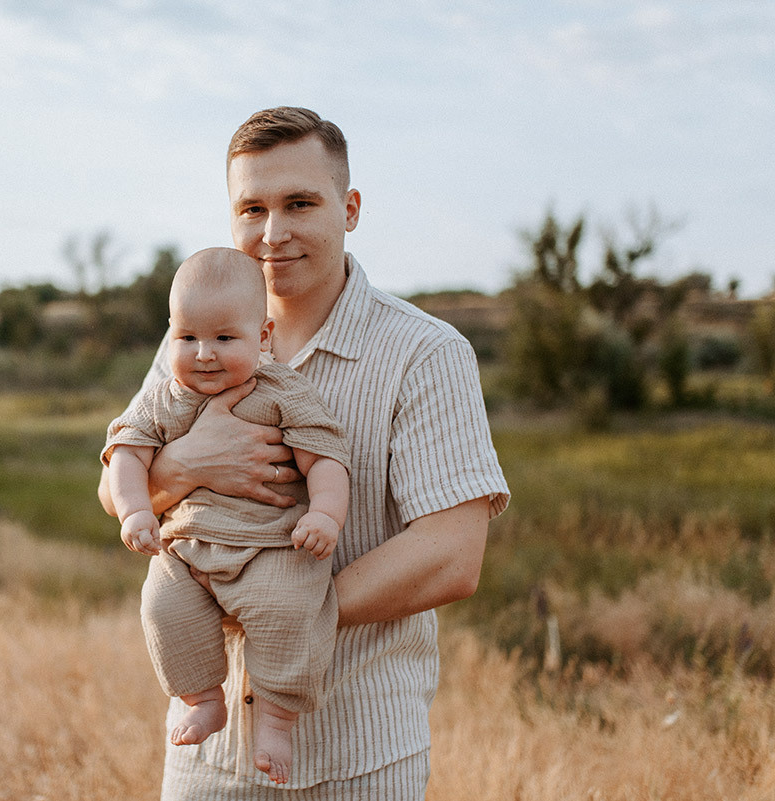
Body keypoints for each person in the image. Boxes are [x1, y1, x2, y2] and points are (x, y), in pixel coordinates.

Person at [98, 106, 510, 800]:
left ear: (348, 209)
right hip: (209, 761)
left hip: (363, 753)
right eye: (252, 208)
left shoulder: (425, 353)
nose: (273, 232)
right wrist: (192, 463)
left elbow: (452, 553)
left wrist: (276, 605)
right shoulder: (195, 342)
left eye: (299, 203)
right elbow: (117, 486)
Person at [102, 246, 351, 785]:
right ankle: (201, 698)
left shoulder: (281, 391)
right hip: (187, 548)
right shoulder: (162, 398)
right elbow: (126, 454)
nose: (203, 354)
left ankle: (277, 718)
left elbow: (325, 456)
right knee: (162, 605)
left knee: (288, 608)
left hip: (270, 547)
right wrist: (135, 511)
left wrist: (326, 515)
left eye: (223, 338)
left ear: (262, 338)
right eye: (187, 338)